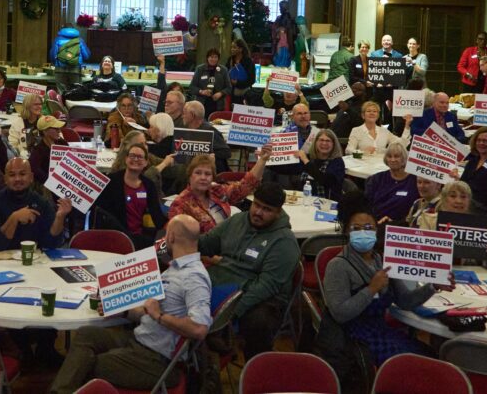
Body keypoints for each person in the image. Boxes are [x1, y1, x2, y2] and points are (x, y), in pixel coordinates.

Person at [49, 215, 212, 394]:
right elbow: (149, 310)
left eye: (166, 235)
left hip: (156, 359)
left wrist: (160, 316)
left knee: (85, 364)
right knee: (86, 334)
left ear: (171, 236)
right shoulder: (176, 268)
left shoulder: (194, 276)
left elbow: (199, 329)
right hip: (140, 339)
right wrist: (122, 311)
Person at [319, 194, 439, 368]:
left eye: (368, 227)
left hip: (381, 331)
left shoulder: (381, 260)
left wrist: (433, 286)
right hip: (354, 338)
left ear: (376, 230)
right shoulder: (338, 265)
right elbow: (340, 314)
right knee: (412, 366)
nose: (363, 232)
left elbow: (405, 301)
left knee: (429, 357)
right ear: (347, 231)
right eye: (356, 228)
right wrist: (371, 289)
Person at [198, 181, 300, 360]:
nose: (258, 212)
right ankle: (197, 355)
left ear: (278, 212)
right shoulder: (238, 220)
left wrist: (229, 313)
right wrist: (182, 238)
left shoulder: (285, 242)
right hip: (225, 282)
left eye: (267, 209)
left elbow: (266, 286)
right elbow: (207, 243)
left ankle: (255, 368)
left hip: (263, 298)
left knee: (257, 322)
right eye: (257, 205)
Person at [168, 147, 270, 233]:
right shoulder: (180, 205)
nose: (203, 177)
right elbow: (180, 242)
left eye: (207, 174)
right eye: (198, 173)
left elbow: (246, 185)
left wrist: (262, 160)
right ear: (190, 176)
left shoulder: (217, 191)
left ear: (212, 178)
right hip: (203, 253)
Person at [0, 158, 71, 251]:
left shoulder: (42, 203)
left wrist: (60, 218)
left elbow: (52, 244)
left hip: (31, 260)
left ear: (31, 177)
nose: (17, 179)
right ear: (5, 179)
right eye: (12, 175)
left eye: (22, 174)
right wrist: (14, 218)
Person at [93, 142, 164, 249]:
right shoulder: (111, 181)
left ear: (146, 162)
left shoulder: (149, 185)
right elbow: (101, 211)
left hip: (141, 238)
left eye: (140, 157)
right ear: (126, 159)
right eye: (132, 156)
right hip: (116, 236)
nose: (135, 159)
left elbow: (157, 215)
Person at [432, 181, 487, 267]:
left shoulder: (481, 225)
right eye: (453, 196)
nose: (459, 201)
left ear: (469, 201)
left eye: (463, 197)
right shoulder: (429, 221)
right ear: (443, 199)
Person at [365, 144, 419, 224]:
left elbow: (417, 210)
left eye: (396, 156)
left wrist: (395, 223)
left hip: (402, 226)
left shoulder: (415, 181)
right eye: (389, 156)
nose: (392, 160)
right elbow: (367, 205)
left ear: (404, 158)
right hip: (376, 223)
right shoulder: (376, 179)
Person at [180, 100, 232, 172]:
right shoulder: (185, 129)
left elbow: (226, 152)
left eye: (184, 113)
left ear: (192, 115)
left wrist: (208, 156)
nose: (182, 116)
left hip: (212, 173)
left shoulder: (209, 131)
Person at [297, 128, 346, 201]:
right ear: (315, 142)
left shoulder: (337, 162)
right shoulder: (309, 158)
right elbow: (286, 169)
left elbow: (325, 180)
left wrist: (306, 161)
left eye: (328, 141)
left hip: (328, 204)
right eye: (321, 140)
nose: (324, 143)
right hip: (305, 201)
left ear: (334, 144)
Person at [346, 101, 411, 155]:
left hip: (382, 166)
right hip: (363, 166)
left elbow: (402, 145)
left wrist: (407, 125)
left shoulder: (384, 131)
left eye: (374, 111)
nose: (372, 113)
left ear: (377, 116)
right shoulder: (356, 130)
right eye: (368, 111)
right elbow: (348, 150)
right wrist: (362, 152)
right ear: (363, 115)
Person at [189, 48, 231, 116]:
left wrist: (221, 93)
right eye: (211, 57)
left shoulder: (223, 70)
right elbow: (192, 87)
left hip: (218, 105)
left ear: (218, 58)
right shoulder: (200, 69)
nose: (213, 59)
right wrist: (202, 91)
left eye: (215, 57)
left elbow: (229, 88)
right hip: (201, 104)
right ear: (207, 58)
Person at [29, 115, 67, 183]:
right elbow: (36, 172)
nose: (59, 131)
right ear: (45, 131)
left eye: (59, 128)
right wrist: (53, 183)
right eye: (56, 128)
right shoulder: (38, 151)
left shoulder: (62, 143)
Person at [51, 26, 91, 90]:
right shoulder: (80, 41)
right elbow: (86, 56)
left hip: (60, 69)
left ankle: (63, 99)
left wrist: (55, 63)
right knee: (75, 90)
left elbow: (53, 55)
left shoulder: (57, 40)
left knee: (62, 91)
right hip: (75, 69)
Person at [8, 93, 44, 159]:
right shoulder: (17, 124)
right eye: (36, 104)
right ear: (27, 106)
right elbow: (12, 145)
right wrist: (21, 151)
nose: (39, 107)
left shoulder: (46, 120)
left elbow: (58, 138)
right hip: (24, 158)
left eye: (40, 104)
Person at [227, 38, 256, 104]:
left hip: (246, 95)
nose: (232, 49)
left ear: (241, 49)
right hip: (233, 95)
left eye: (234, 47)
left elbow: (252, 80)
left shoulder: (248, 61)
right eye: (231, 47)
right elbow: (226, 74)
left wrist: (237, 83)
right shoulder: (230, 60)